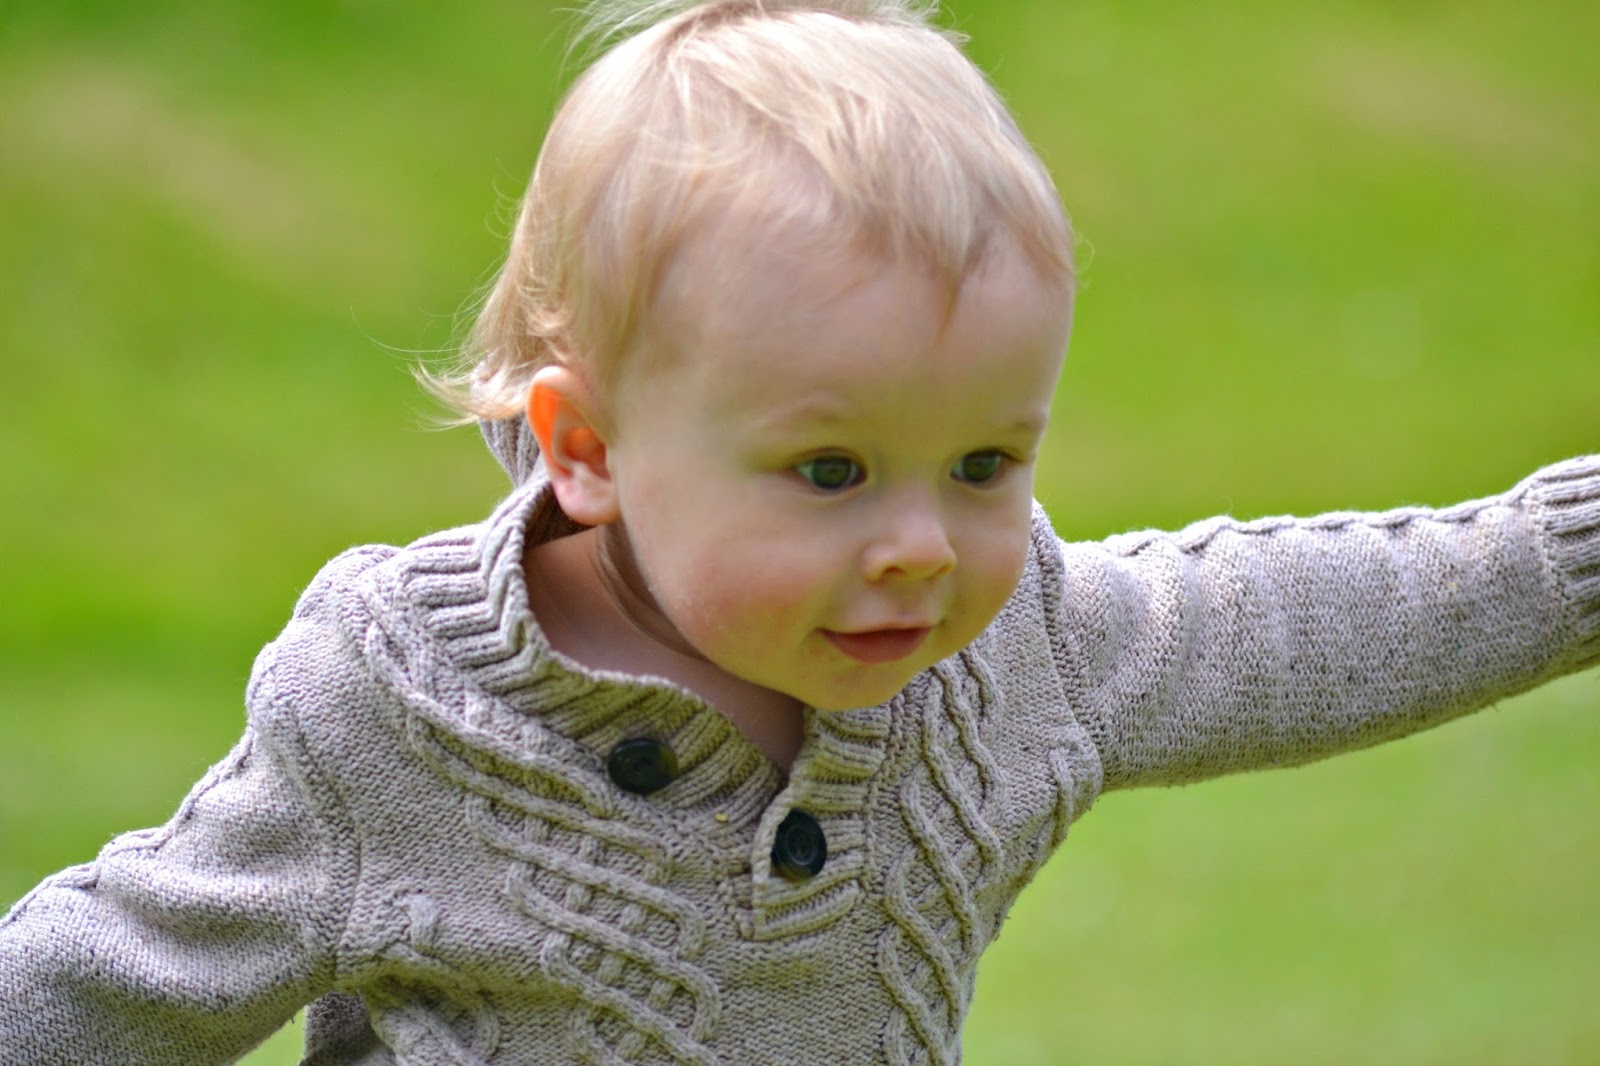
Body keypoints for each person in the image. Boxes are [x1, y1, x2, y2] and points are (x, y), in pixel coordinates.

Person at [2, 0, 1595, 1062]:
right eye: (831, 471)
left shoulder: (1010, 652)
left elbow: (1293, 614)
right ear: (589, 448)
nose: (922, 544)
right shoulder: (401, 707)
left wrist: (1565, 558)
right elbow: (110, 975)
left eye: (982, 462)